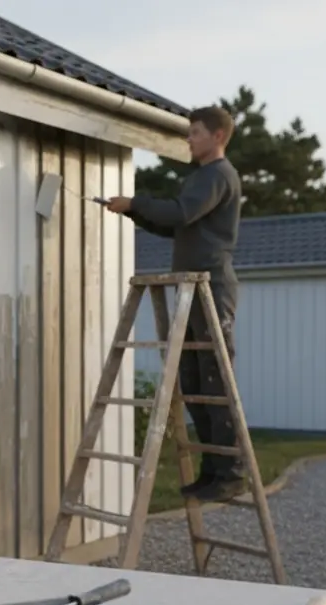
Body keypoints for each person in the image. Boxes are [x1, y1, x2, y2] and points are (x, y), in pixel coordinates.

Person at [104, 106, 245, 503]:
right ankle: (213, 470)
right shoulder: (202, 178)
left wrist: (136, 202)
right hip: (193, 288)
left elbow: (181, 213)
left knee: (216, 383)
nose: (189, 139)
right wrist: (132, 212)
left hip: (211, 288)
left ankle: (231, 473)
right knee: (196, 384)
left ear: (218, 136)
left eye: (195, 132)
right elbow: (174, 223)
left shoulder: (217, 175)